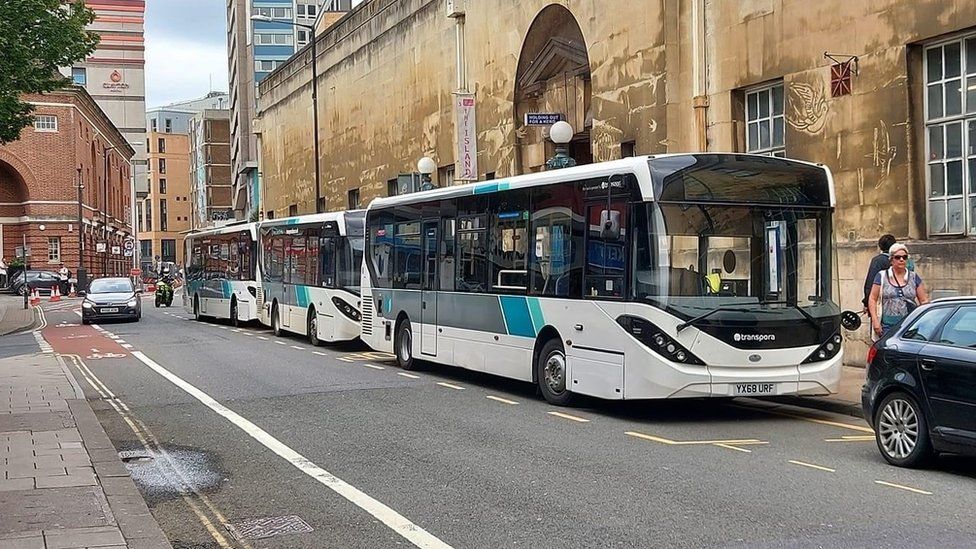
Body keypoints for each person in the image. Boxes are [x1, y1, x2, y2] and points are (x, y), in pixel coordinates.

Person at [868, 243, 929, 339]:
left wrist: (922, 321)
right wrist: (875, 321)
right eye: (898, 257)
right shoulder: (882, 276)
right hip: (887, 326)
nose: (901, 260)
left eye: (904, 257)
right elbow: (872, 299)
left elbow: (924, 301)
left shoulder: (913, 277)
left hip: (909, 326)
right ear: (891, 259)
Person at [862, 234, 896, 311]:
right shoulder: (902, 261)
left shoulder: (878, 261)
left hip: (881, 302)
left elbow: (870, 282)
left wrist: (866, 303)